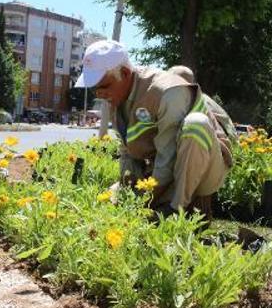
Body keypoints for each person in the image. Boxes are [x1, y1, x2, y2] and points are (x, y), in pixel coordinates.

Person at [76, 40, 236, 216]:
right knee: (108, 199)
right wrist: (127, 190)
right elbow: (128, 152)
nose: (99, 94)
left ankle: (176, 211)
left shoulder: (167, 92)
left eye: (104, 86)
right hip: (164, 169)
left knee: (195, 124)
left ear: (125, 72)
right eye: (94, 89)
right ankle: (163, 205)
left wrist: (145, 202)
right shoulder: (118, 98)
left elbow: (168, 159)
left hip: (207, 170)